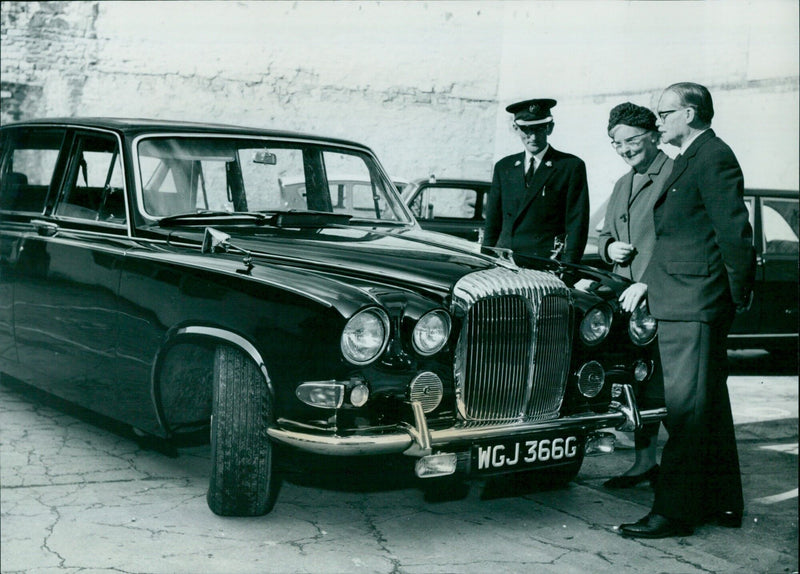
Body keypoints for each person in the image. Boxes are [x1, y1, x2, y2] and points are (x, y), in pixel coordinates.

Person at [618, 82, 756, 539]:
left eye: (666, 112)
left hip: (694, 302)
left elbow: (734, 232)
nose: (658, 121)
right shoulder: (690, 159)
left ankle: (673, 513)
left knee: (687, 413)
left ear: (692, 114)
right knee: (708, 406)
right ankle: (723, 502)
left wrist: (732, 297)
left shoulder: (712, 155)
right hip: (685, 298)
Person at [599, 102, 672, 489]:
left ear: (654, 135)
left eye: (631, 140)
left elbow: (681, 242)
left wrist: (649, 282)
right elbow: (604, 233)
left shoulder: (673, 175)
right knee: (636, 381)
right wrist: (609, 248)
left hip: (659, 295)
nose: (625, 149)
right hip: (625, 298)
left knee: (660, 383)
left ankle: (669, 465)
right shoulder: (622, 183)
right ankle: (644, 462)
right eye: (616, 143)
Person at [483, 98, 589, 265]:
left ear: (550, 127)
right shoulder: (504, 167)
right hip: (506, 261)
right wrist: (485, 258)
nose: (532, 137)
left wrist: (568, 269)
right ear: (515, 128)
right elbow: (493, 221)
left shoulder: (569, 166)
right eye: (526, 129)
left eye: (539, 129)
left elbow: (577, 223)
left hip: (546, 262)